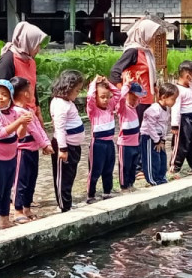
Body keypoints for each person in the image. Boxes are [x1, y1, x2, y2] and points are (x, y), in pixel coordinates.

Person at [0, 80, 30, 230]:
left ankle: (5, 218)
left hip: (12, 156)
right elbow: (1, 132)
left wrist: (24, 123)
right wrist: (19, 121)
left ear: (10, 98)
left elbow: (20, 135)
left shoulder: (13, 113)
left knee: (7, 190)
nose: (0, 97)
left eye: (4, 94)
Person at [12, 76, 51, 223]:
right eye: (31, 91)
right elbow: (33, 130)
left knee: (31, 179)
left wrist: (45, 142)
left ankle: (27, 207)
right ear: (25, 94)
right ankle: (17, 209)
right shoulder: (18, 111)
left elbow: (39, 128)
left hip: (33, 149)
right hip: (22, 150)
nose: (33, 94)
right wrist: (45, 145)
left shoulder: (29, 109)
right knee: (20, 180)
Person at [109, 18, 164, 121]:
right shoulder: (132, 51)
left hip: (147, 98)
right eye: (152, 34)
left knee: (144, 131)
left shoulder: (146, 51)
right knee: (135, 131)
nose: (154, 37)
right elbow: (114, 72)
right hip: (137, 100)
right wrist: (125, 91)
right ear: (144, 33)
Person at [50, 70, 86, 211]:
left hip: (74, 145)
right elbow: (59, 128)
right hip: (64, 147)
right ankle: (63, 205)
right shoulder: (60, 104)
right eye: (76, 90)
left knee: (70, 175)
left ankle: (67, 201)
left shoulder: (67, 102)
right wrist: (62, 149)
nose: (77, 94)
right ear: (68, 88)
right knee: (62, 177)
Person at [86, 76, 120, 202]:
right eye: (102, 97)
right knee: (95, 170)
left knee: (108, 169)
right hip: (97, 144)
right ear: (96, 97)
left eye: (107, 96)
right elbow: (89, 97)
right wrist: (94, 83)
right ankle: (91, 195)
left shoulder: (111, 106)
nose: (105, 100)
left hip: (109, 143)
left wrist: (108, 84)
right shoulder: (93, 110)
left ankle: (107, 192)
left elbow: (118, 94)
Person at [170, 61, 192, 176]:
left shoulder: (190, 87)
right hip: (184, 121)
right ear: (187, 75)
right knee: (181, 145)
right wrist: (175, 124)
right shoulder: (178, 90)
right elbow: (175, 108)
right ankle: (174, 168)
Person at [140, 83, 177, 185]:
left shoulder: (167, 109)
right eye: (173, 99)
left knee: (162, 158)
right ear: (164, 97)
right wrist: (156, 140)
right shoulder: (153, 109)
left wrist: (163, 139)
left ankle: (161, 178)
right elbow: (150, 126)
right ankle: (153, 180)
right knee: (152, 159)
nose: (175, 102)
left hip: (159, 138)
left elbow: (165, 125)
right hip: (149, 137)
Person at [0, 22, 47, 92]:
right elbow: (1, 93)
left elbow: (33, 92)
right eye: (36, 45)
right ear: (28, 42)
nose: (38, 50)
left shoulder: (31, 61)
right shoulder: (7, 61)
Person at [117, 81, 144, 192]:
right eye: (133, 99)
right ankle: (124, 186)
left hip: (135, 143)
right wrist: (126, 86)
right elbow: (120, 99)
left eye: (137, 100)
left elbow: (141, 97)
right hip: (125, 144)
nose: (135, 102)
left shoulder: (134, 108)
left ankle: (131, 184)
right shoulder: (123, 109)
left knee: (133, 165)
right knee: (125, 166)